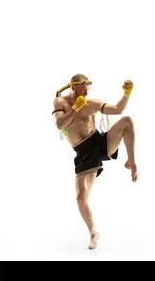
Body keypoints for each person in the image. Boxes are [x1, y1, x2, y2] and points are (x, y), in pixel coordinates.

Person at [52, 74, 138, 250]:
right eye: (83, 87)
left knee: (127, 121)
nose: (86, 91)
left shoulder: (92, 103)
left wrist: (126, 93)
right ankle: (93, 232)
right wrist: (75, 108)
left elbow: (117, 109)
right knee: (80, 197)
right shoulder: (60, 103)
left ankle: (131, 161)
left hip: (99, 143)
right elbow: (60, 124)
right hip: (83, 153)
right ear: (73, 87)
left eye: (87, 87)